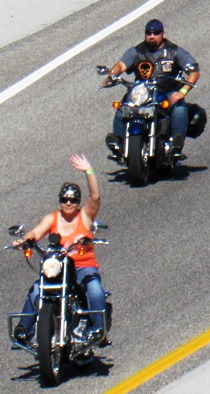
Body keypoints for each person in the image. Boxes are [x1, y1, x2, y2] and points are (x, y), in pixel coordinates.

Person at [13, 154, 106, 343]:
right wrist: (24, 241)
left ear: (78, 202)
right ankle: (24, 328)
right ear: (60, 201)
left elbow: (95, 196)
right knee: (37, 289)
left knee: (95, 289)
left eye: (72, 200)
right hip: (59, 267)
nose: (68, 203)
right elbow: (36, 232)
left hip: (83, 267)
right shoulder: (52, 218)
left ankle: (98, 328)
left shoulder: (85, 217)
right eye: (64, 199)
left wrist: (89, 171)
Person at [104, 19, 200, 158]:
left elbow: (194, 72)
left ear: (163, 34)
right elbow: (121, 65)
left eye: (156, 33)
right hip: (142, 91)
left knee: (179, 108)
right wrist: (111, 75)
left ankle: (175, 145)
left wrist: (182, 92)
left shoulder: (175, 52)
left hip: (167, 91)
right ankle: (119, 144)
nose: (152, 36)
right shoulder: (137, 51)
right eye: (149, 33)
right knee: (122, 108)